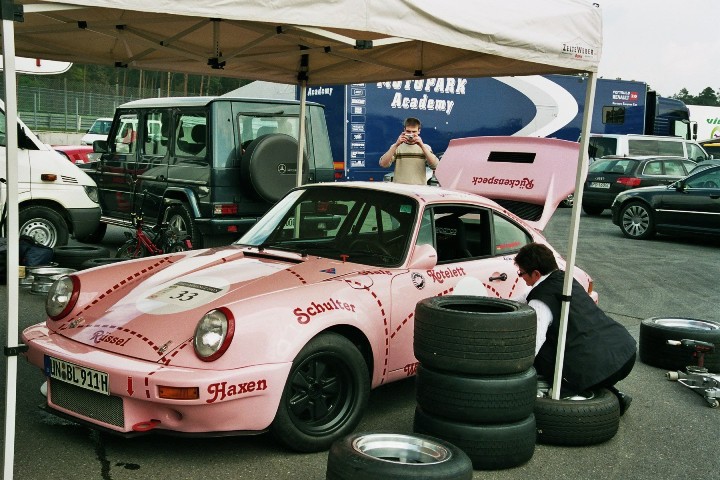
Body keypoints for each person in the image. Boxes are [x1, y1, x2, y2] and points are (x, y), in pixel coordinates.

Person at [514, 242, 636, 414]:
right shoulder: (564, 280)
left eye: (521, 273)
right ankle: (617, 396)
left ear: (536, 273)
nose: (521, 277)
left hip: (599, 364)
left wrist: (516, 371)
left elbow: (535, 341)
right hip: (625, 352)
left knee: (541, 351)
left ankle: (566, 390)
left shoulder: (540, 300)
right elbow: (523, 298)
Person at [379, 117, 439, 185]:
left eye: (414, 132)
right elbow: (383, 164)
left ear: (419, 131)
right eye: (408, 131)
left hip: (418, 189)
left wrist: (422, 146)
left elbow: (435, 166)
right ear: (404, 130)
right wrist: (396, 144)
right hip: (400, 189)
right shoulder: (396, 147)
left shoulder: (426, 147)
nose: (411, 134)